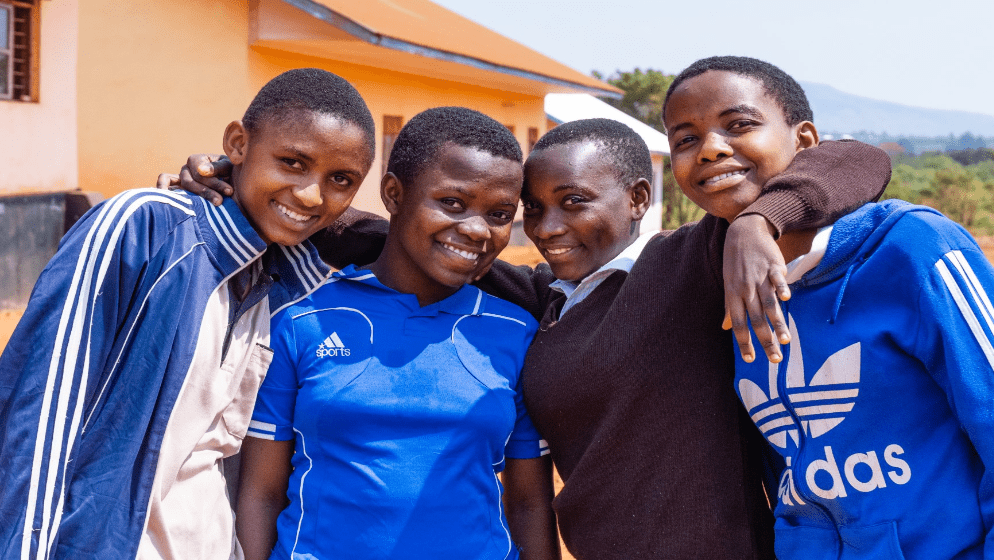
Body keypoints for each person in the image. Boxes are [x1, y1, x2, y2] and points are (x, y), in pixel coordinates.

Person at [168, 117, 891, 559]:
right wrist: (248, 183)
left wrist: (761, 219)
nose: (546, 231)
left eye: (572, 204)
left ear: (640, 200)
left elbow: (859, 157)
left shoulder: (687, 263)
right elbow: (420, 241)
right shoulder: (544, 301)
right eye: (534, 212)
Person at [0, 68, 376, 560]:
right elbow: (41, 420)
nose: (311, 194)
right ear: (236, 144)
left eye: (340, 180)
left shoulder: (294, 289)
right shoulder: (144, 227)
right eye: (291, 162)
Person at [665, 55, 994, 559]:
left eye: (739, 125)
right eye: (685, 139)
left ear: (804, 142)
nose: (710, 149)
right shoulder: (710, 280)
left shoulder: (911, 249)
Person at [235, 107, 558, 560]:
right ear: (393, 193)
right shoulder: (302, 319)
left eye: (500, 213)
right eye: (452, 203)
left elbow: (528, 503)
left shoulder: (516, 334)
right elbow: (260, 493)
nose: (475, 229)